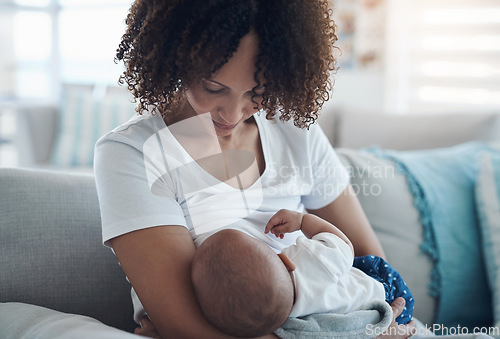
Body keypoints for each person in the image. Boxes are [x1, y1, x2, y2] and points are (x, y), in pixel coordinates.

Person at [94, 0, 417, 338]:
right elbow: (186, 326)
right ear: (175, 55)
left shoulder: (293, 130)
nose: (232, 115)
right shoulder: (131, 153)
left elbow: (374, 267)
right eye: (213, 87)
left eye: (257, 92)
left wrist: (367, 325)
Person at [191, 209, 414, 338]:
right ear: (284, 259)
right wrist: (303, 221)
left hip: (369, 322)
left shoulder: (285, 325)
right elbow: (344, 245)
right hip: (385, 291)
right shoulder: (307, 259)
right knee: (364, 264)